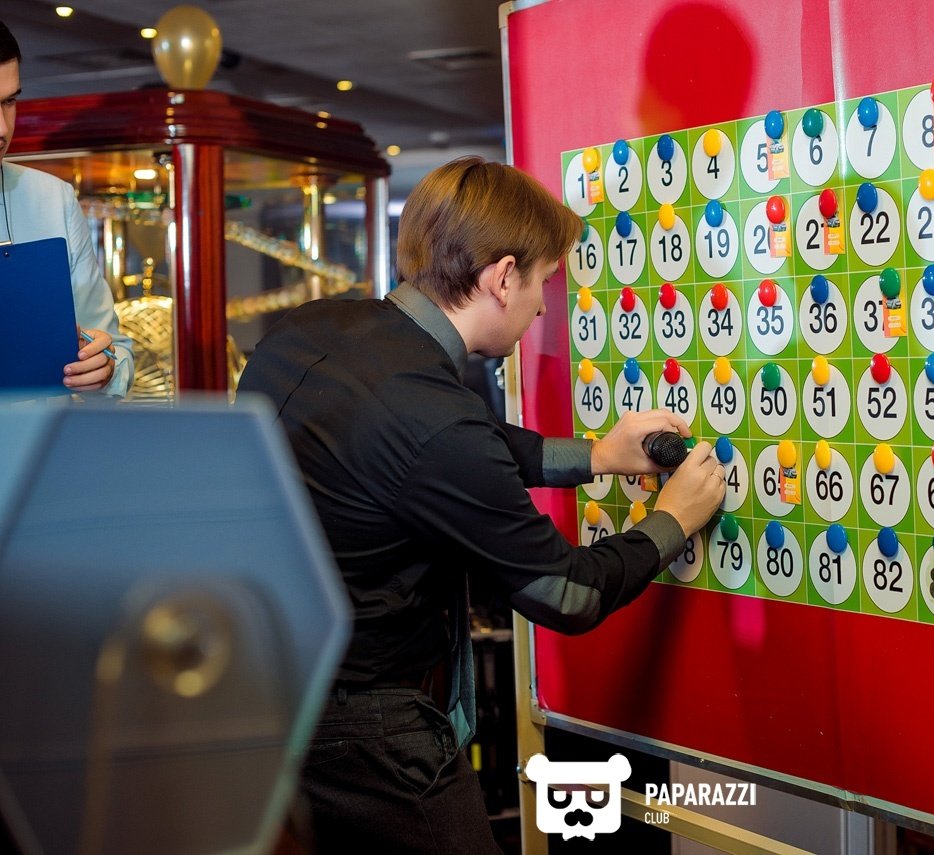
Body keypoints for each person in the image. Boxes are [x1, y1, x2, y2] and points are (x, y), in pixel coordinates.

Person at [237, 156, 725, 853]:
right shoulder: (436, 421)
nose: (543, 307)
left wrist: (596, 455)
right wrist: (673, 519)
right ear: (502, 277)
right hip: (370, 732)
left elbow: (434, 449)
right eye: (543, 282)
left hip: (273, 695)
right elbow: (567, 594)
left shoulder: (312, 329)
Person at [0, 21, 133, 396]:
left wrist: (105, 369)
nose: (2, 129)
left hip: (41, 433)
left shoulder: (52, 198)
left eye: (9, 102)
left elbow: (116, 350)